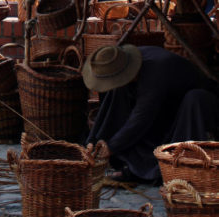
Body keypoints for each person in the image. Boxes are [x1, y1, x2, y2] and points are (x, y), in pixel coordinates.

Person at [85, 44, 219, 184]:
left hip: (195, 109)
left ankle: (169, 168)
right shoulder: (124, 63)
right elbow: (116, 111)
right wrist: (95, 141)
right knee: (118, 93)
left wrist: (112, 147)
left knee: (195, 99)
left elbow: (141, 117)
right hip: (165, 107)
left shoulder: (155, 72)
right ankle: (133, 165)